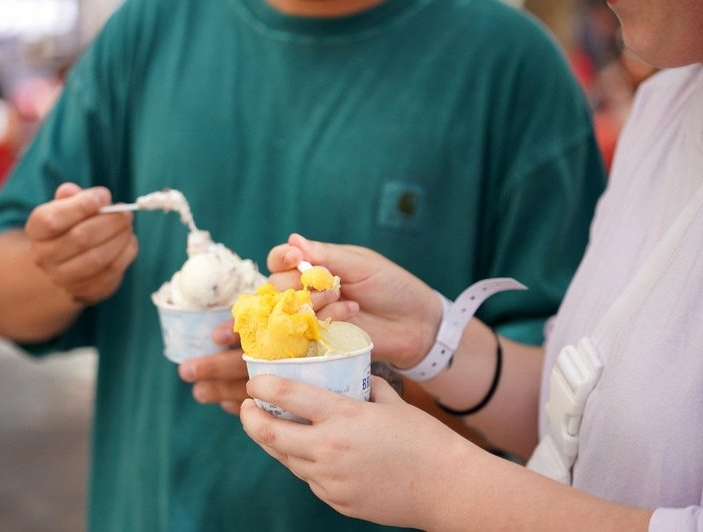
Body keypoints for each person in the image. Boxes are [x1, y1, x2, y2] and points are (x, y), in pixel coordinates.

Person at [0, 0, 605, 530]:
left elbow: (572, 415)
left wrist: (362, 383)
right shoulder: (149, 29)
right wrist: (62, 269)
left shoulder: (512, 68)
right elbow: (1, 295)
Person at [240, 1, 703, 528]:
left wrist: (443, 487)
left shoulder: (515, 63)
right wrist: (432, 334)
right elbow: (580, 417)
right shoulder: (668, 103)